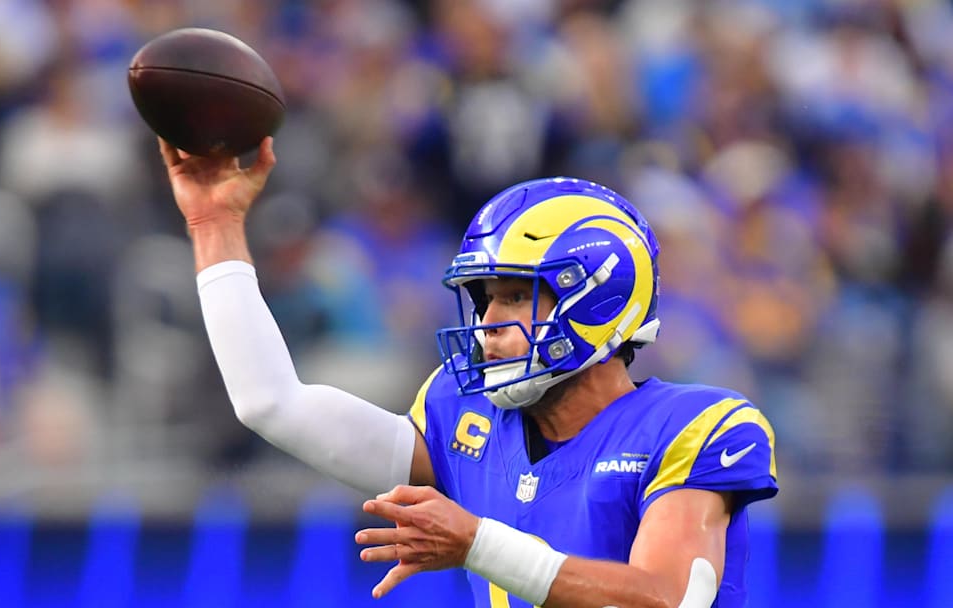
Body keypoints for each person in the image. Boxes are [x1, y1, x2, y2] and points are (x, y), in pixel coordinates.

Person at [160, 136, 778, 608]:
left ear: (596, 299)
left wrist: (478, 543)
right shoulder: (465, 415)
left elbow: (665, 598)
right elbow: (271, 403)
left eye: (512, 295)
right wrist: (213, 225)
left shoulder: (697, 424)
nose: (487, 322)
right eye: (482, 299)